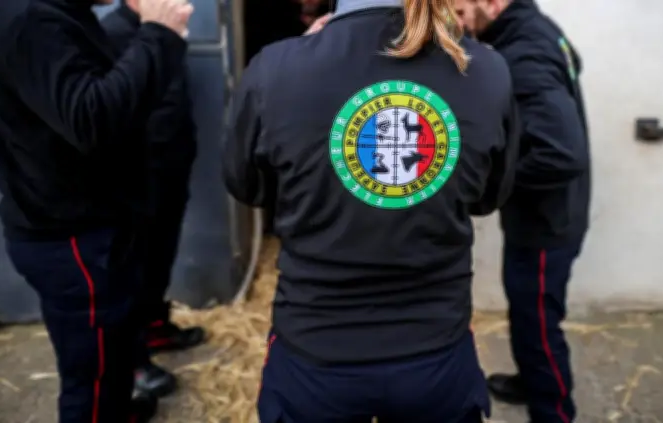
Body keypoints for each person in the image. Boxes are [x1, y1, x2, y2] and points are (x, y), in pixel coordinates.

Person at [223, 0, 520, 421]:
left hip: (316, 356)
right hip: (435, 352)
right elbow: (489, 196)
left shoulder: (277, 68)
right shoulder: (486, 70)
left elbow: (247, 185)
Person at [0, 0, 193, 421]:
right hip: (72, 239)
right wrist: (158, 34)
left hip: (95, 222)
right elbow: (93, 120)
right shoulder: (28, 19)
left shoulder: (58, 12)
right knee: (91, 380)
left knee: (112, 364)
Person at [454, 1, 591, 422]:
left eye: (460, 10)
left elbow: (562, 154)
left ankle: (554, 410)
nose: (456, 22)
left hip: (545, 223)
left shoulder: (523, 53)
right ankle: (532, 379)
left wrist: (491, 184)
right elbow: (574, 66)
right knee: (526, 309)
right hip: (552, 211)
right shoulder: (534, 30)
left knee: (538, 325)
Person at [100, 0, 204, 400]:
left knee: (160, 258)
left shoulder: (161, 29)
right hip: (138, 177)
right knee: (135, 269)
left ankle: (156, 327)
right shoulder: (113, 33)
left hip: (168, 167)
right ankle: (133, 361)